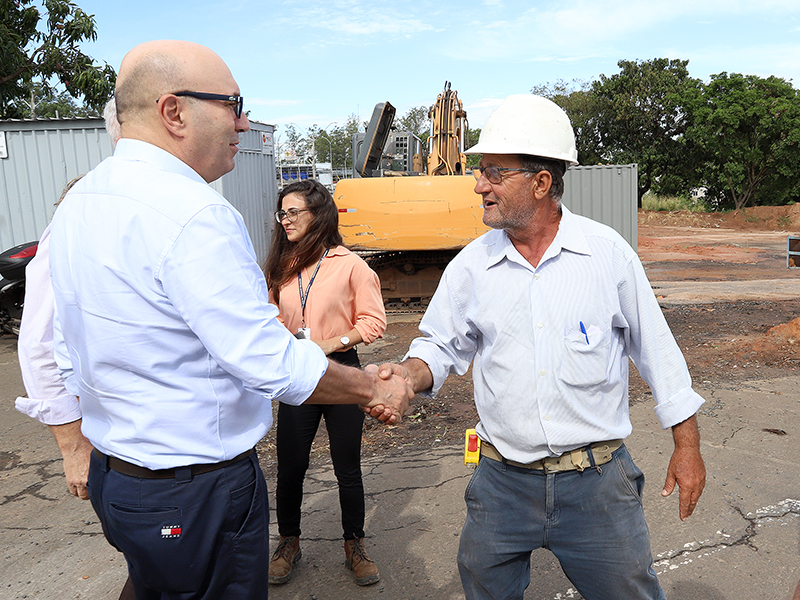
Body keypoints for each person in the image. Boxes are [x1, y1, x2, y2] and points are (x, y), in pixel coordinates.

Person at [47, 40, 412, 600]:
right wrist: (370, 387)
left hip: (120, 483)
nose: (243, 123)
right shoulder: (193, 212)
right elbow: (264, 358)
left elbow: (54, 345)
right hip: (194, 493)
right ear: (174, 112)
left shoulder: (81, 201)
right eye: (232, 104)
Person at [375, 94, 706, 600]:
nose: (479, 185)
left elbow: (658, 352)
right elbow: (438, 347)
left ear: (541, 182)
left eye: (494, 173)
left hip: (596, 483)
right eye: (480, 171)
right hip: (501, 483)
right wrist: (406, 376)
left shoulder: (606, 255)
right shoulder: (471, 266)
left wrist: (687, 446)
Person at [15, 100, 135, 600]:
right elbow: (38, 344)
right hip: (107, 440)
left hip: (151, 443)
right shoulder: (69, 228)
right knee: (151, 566)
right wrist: (72, 448)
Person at [264, 180, 386, 586]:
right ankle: (288, 542)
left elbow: (373, 322)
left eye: (293, 212)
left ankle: (355, 544)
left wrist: (330, 343)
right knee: (291, 467)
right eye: (282, 213)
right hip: (297, 376)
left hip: (341, 370)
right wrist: (287, 343)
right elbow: (268, 319)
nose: (285, 220)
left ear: (319, 214)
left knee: (347, 468)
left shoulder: (350, 264)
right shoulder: (281, 266)